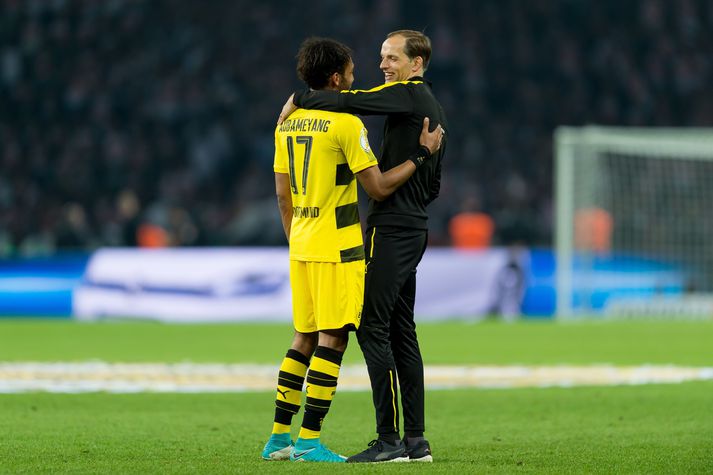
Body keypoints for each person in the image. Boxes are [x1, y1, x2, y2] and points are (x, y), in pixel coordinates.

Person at [262, 37, 443, 464]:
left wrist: (296, 235)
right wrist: (421, 155)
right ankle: (314, 442)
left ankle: (278, 439)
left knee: (303, 336)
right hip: (339, 244)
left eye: (389, 57)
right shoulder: (346, 124)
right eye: (354, 68)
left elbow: (283, 196)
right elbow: (377, 186)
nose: (371, 68)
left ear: (416, 64)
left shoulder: (285, 125)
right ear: (336, 77)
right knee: (340, 336)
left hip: (302, 241)